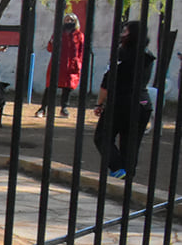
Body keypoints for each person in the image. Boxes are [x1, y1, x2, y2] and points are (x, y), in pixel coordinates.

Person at [93, 19, 155, 179]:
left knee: (102, 136)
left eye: (125, 31)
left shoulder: (122, 53)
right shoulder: (148, 54)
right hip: (142, 104)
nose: (122, 34)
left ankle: (118, 169)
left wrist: (99, 104)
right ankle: (127, 177)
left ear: (132, 34)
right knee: (130, 144)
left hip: (122, 102)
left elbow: (107, 83)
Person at [35, 13, 84, 118]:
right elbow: (50, 48)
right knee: (50, 86)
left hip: (71, 65)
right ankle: (43, 108)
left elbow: (81, 51)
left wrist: (78, 64)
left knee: (68, 88)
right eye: (67, 20)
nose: (69, 22)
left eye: (71, 20)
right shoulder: (57, 33)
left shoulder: (79, 35)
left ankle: (64, 108)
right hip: (57, 64)